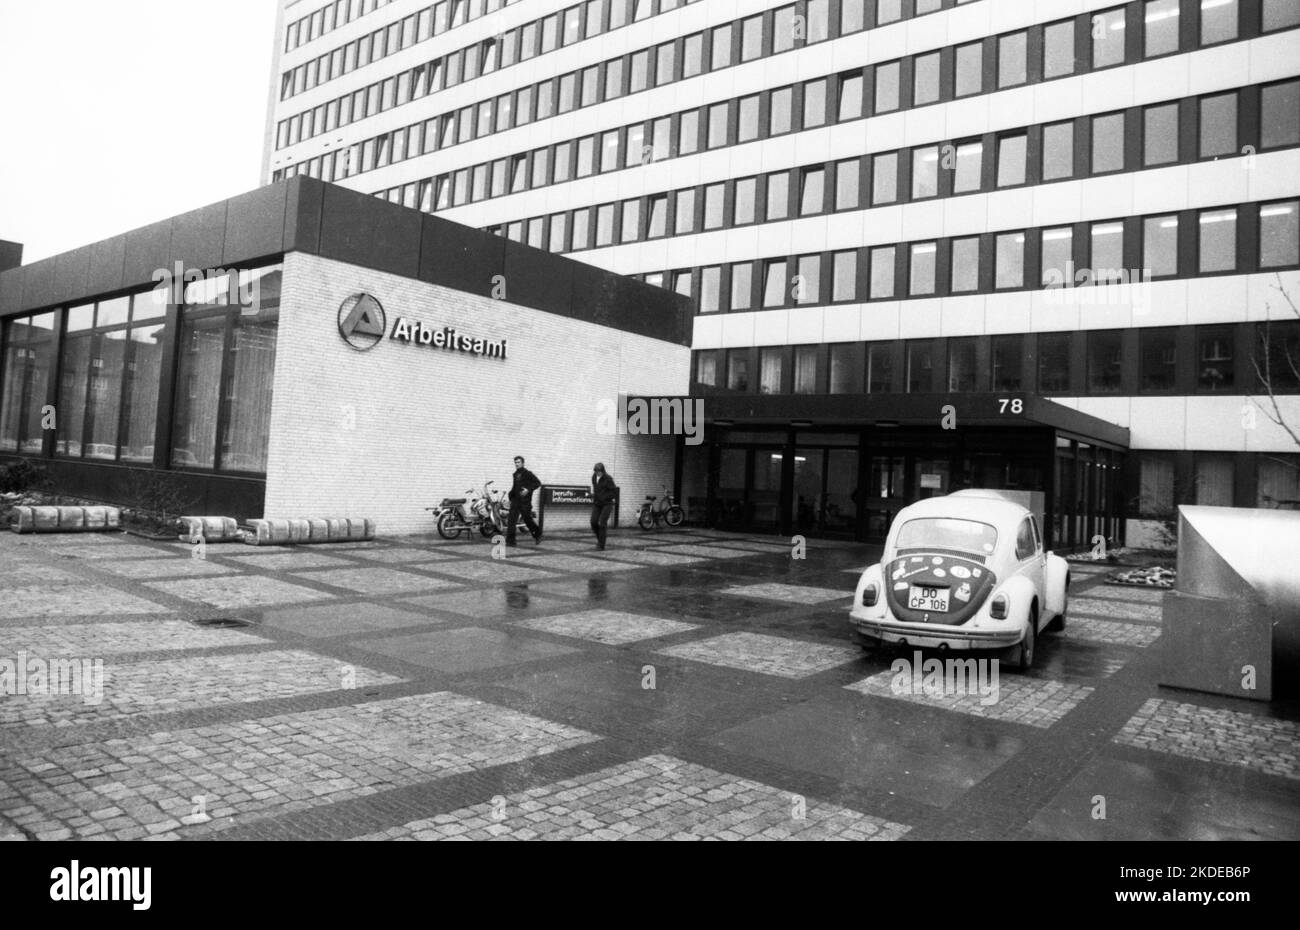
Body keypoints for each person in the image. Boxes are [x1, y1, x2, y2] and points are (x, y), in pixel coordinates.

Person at [506, 455, 542, 546]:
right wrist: (510, 495)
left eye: (518, 462)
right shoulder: (515, 474)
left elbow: (538, 483)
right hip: (515, 501)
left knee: (527, 519)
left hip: (525, 502)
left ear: (522, 463)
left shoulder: (527, 473)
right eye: (515, 462)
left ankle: (537, 534)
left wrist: (528, 489)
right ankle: (510, 541)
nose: (516, 464)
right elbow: (515, 487)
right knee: (511, 520)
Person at [590, 462, 617, 550]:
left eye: (599, 471)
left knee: (602, 523)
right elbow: (596, 489)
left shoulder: (608, 479)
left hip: (607, 504)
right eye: (596, 471)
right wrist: (594, 496)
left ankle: (601, 545)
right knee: (593, 522)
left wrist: (605, 497)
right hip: (597, 503)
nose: (598, 473)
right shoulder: (594, 478)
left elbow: (614, 492)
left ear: (602, 471)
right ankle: (600, 538)